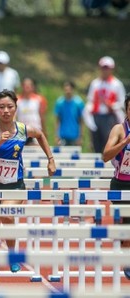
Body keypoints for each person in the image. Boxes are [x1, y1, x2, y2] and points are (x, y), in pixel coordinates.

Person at [0, 89, 56, 289]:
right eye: (1, 107)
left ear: (16, 108)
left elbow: (40, 134)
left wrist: (50, 159)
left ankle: (13, 253)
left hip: (15, 184)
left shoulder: (23, 129)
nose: (6, 111)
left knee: (7, 214)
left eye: (10, 107)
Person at [101, 93, 130, 279]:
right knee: (127, 224)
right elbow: (105, 155)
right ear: (126, 110)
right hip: (121, 184)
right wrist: (125, 142)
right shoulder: (119, 129)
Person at [83, 56, 126, 154]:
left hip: (110, 117)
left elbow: (122, 102)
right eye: (103, 68)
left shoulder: (117, 84)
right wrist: (89, 110)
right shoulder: (95, 83)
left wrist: (112, 105)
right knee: (96, 144)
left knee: (109, 142)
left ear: (112, 69)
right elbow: (90, 100)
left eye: (107, 68)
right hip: (96, 116)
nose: (105, 70)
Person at [16, 77, 48, 145]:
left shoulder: (39, 99)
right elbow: (14, 117)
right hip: (22, 132)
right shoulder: (17, 100)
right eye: (25, 85)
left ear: (33, 87)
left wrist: (44, 132)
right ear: (22, 86)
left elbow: (42, 116)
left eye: (29, 85)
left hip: (36, 131)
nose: (27, 87)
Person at [54, 80, 85, 147]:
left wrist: (81, 137)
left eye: (69, 89)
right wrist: (56, 135)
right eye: (66, 89)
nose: (67, 91)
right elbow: (58, 120)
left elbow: (81, 121)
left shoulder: (78, 102)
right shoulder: (60, 102)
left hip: (75, 136)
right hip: (62, 135)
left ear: (73, 89)